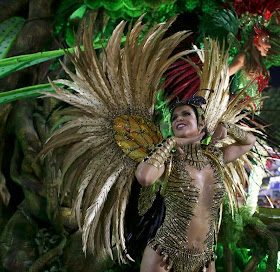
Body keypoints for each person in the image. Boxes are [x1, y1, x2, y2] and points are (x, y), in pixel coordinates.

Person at [135, 99, 256, 272]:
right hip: (164, 255)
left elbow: (249, 141)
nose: (178, 119)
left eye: (186, 114)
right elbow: (144, 177)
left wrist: (227, 126)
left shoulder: (216, 158)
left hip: (204, 260)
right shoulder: (169, 161)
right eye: (174, 118)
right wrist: (171, 143)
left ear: (202, 125)